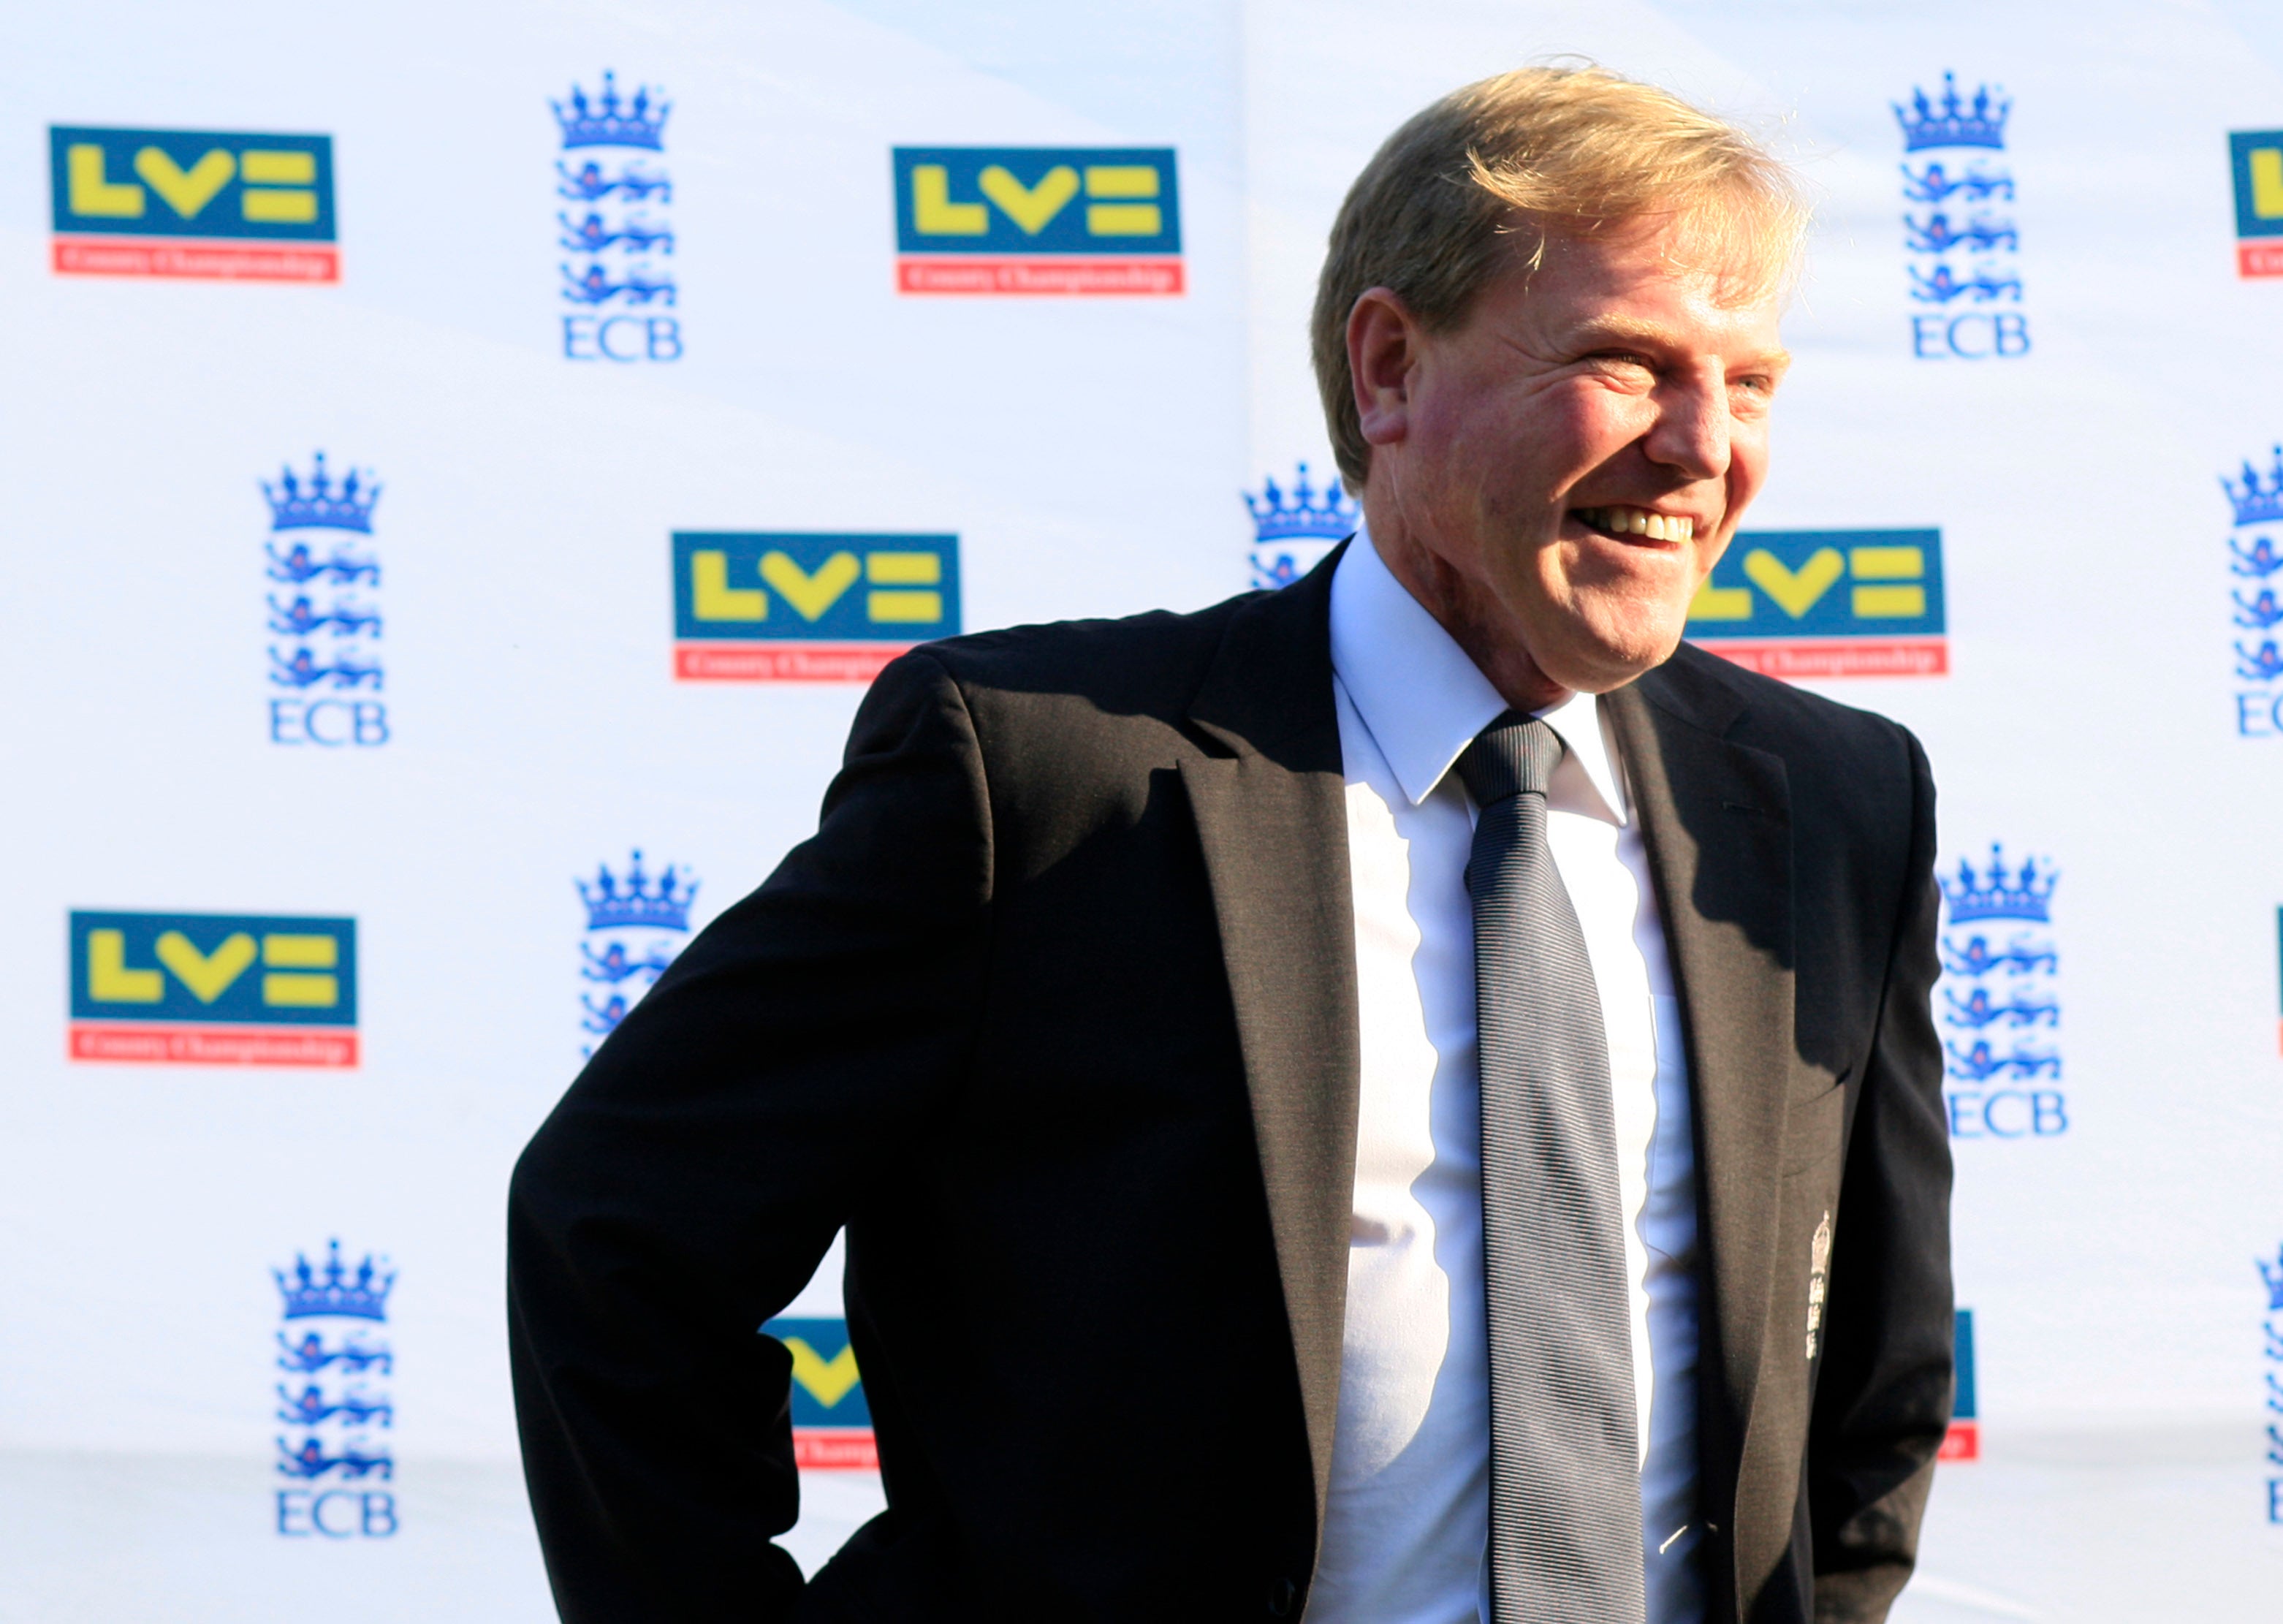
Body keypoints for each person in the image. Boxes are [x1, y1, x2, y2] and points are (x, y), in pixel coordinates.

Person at [508, 64, 1951, 1624]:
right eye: (1625, 361)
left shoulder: (1831, 803)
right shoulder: (1041, 773)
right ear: (1389, 366)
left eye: (1746, 386)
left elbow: (1868, 1380)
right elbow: (618, 1240)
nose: (1699, 447)